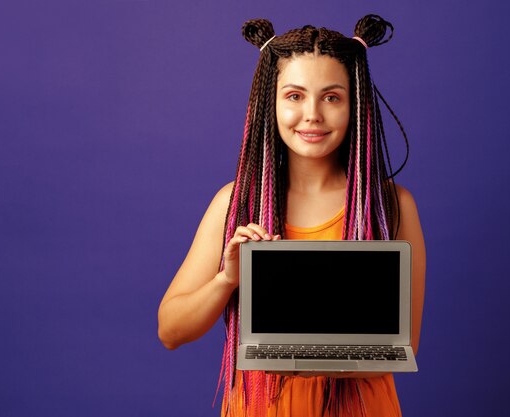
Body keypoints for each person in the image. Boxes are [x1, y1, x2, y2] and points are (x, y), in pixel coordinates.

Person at [158, 14, 426, 417]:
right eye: (295, 96)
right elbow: (171, 330)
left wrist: (297, 360)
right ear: (272, 102)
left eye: (332, 97)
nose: (313, 114)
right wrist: (228, 278)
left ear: (355, 106)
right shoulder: (236, 203)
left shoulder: (389, 205)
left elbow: (403, 345)